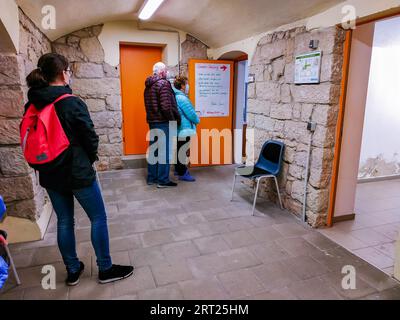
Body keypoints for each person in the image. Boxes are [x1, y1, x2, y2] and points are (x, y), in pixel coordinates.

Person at [24, 53, 134, 286]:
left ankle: (73, 270)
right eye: (69, 71)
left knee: (64, 221)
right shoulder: (70, 102)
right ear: (63, 73)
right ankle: (105, 268)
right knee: (98, 217)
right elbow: (90, 137)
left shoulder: (32, 103)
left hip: (50, 173)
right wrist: (91, 157)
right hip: (77, 171)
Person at [144, 62, 181, 188]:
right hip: (163, 122)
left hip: (152, 122)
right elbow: (166, 106)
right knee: (164, 152)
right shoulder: (164, 83)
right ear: (161, 72)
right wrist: (172, 120)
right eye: (166, 70)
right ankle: (162, 180)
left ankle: (151, 178)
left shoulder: (148, 85)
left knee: (154, 151)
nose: (167, 73)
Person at [173, 76, 200, 182]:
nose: (188, 86)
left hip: (180, 128)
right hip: (185, 128)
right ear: (182, 85)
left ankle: (177, 169)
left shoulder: (175, 96)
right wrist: (197, 120)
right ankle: (182, 173)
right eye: (186, 83)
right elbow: (191, 114)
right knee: (182, 150)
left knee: (179, 149)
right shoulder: (182, 98)